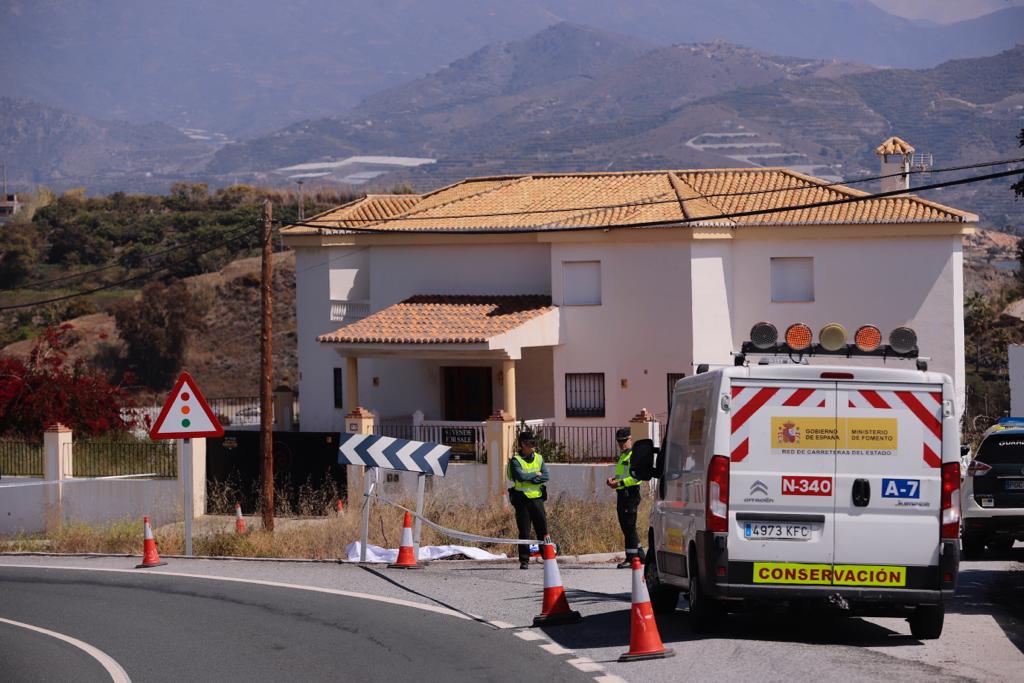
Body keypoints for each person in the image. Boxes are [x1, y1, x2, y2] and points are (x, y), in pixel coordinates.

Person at [508, 430, 550, 569]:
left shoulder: (539, 458)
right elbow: (520, 477)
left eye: (534, 443)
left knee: (542, 529)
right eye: (530, 443)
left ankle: (547, 557)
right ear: (522, 444)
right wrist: (535, 474)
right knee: (524, 531)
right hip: (522, 499)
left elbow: (546, 476)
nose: (533, 446)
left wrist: (531, 478)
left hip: (537, 498)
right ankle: (524, 560)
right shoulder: (516, 460)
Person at [606, 427, 643, 568]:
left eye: (624, 441)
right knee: (626, 526)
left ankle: (631, 558)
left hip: (630, 494)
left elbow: (637, 477)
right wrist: (613, 480)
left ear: (630, 439)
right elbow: (622, 475)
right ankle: (640, 555)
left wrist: (619, 483)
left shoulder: (634, 455)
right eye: (619, 442)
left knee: (629, 526)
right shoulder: (623, 456)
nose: (621, 444)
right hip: (622, 494)